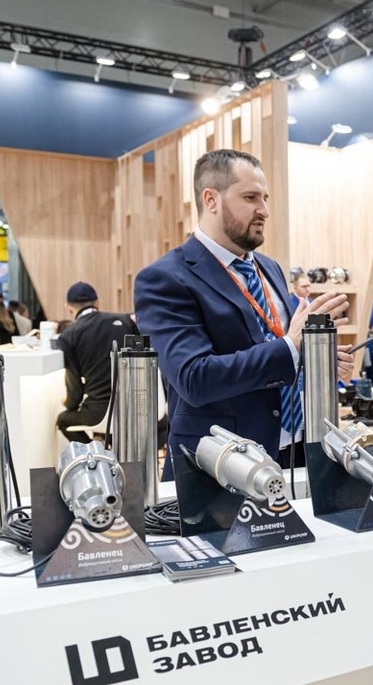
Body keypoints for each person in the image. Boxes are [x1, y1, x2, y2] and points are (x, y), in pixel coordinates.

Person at [134, 149, 354, 463]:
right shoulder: (165, 278)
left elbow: (275, 355)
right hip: (220, 465)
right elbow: (194, 378)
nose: (264, 210)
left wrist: (312, 361)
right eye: (250, 197)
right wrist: (291, 347)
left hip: (296, 454)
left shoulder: (270, 268)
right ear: (211, 200)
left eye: (265, 198)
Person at [55, 282, 139, 443]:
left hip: (99, 411)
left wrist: (69, 404)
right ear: (97, 303)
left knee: (63, 420)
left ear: (68, 308)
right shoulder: (125, 321)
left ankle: (96, 452)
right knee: (160, 425)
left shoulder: (68, 336)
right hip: (135, 406)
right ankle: (110, 444)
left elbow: (75, 389)